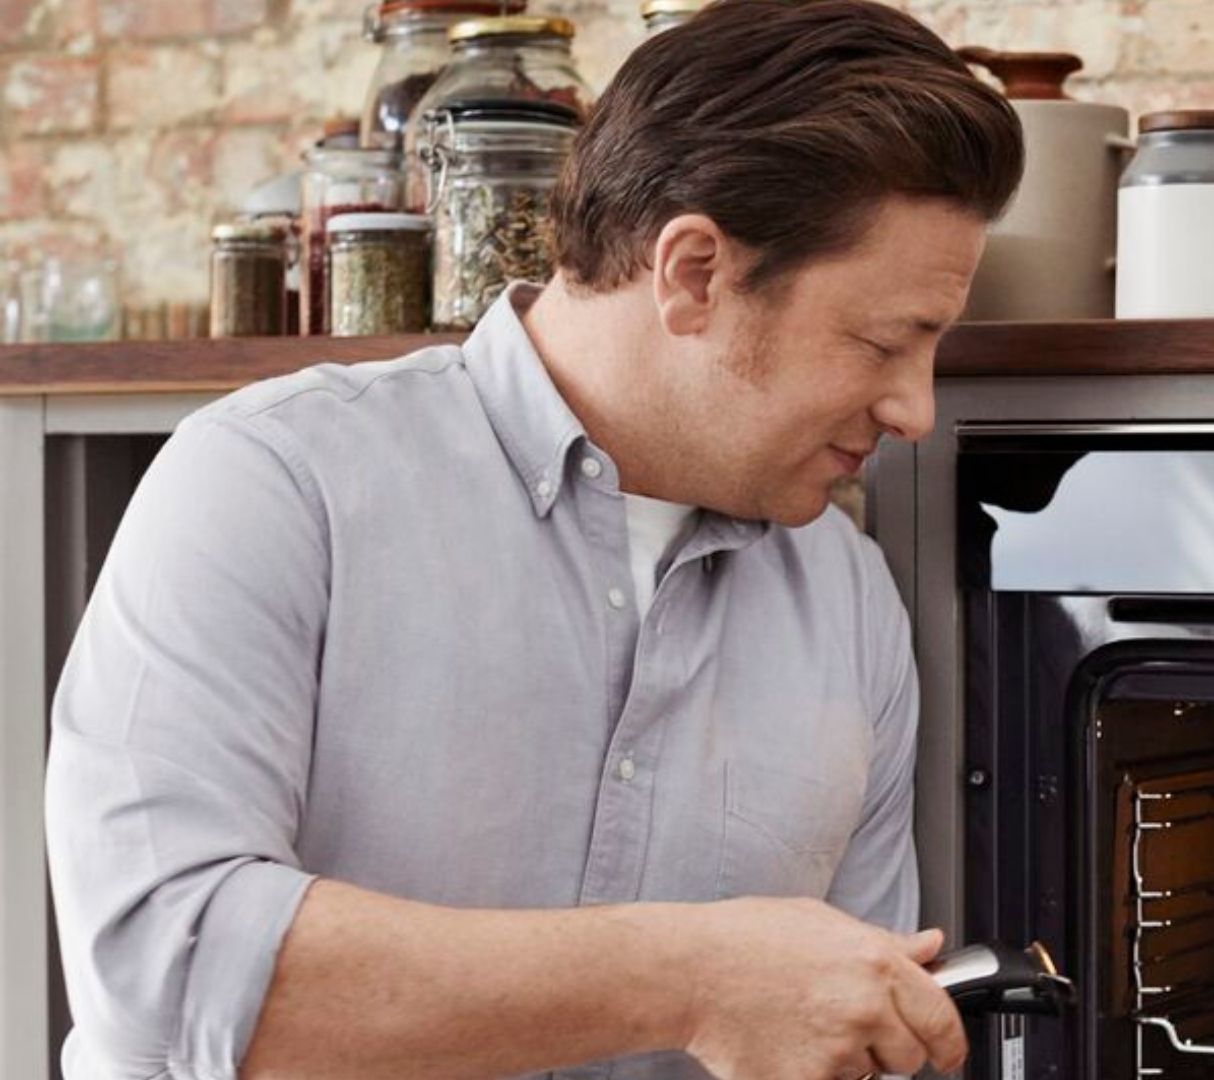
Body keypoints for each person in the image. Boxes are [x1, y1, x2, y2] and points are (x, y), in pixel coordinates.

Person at [42, 3, 1023, 1077]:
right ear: (693, 274)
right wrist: (691, 975)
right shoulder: (276, 482)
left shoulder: (845, 601)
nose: (916, 411)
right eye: (884, 342)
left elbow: (842, 1044)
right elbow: (167, 971)